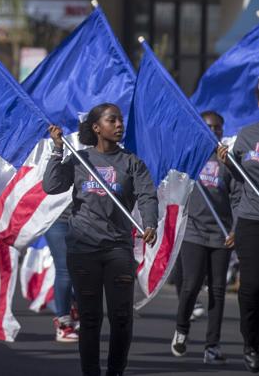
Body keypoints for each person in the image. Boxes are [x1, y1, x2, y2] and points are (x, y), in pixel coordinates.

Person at [43, 103, 158, 376]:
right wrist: (57, 149)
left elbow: (147, 196)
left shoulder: (132, 162)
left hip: (118, 248)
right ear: (96, 127)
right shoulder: (80, 159)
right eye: (112, 120)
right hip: (83, 249)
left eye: (120, 120)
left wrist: (150, 223)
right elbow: (51, 186)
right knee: (90, 318)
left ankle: (115, 370)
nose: (119, 125)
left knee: (121, 317)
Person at [171, 111, 238, 364]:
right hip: (194, 231)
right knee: (191, 285)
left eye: (218, 128)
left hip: (221, 233)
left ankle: (213, 345)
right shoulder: (190, 157)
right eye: (209, 126)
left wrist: (235, 229)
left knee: (218, 290)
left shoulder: (229, 161)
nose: (214, 131)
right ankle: (181, 329)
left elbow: (237, 197)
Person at [220, 80, 259, 373]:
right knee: (252, 286)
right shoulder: (247, 135)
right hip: (251, 220)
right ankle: (251, 342)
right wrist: (228, 163)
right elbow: (239, 176)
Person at [44, 215, 79, 342]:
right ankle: (64, 323)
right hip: (59, 218)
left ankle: (76, 308)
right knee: (65, 270)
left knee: (89, 268)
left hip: (90, 220)